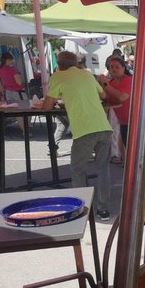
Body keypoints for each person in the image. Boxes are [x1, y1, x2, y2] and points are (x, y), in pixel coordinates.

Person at [42, 51, 112, 220]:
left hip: (84, 129)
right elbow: (103, 95)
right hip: (103, 126)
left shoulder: (58, 76)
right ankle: (103, 210)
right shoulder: (87, 75)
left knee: (77, 170)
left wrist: (61, 99)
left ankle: (83, 208)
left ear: (59, 64)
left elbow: (46, 105)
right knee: (103, 169)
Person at [99, 55, 132, 149]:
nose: (114, 69)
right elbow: (106, 97)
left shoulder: (128, 80)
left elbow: (122, 97)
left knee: (129, 147)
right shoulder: (111, 82)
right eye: (111, 67)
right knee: (122, 146)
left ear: (123, 67)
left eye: (117, 67)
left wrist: (104, 83)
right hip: (122, 121)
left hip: (133, 121)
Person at [0, 51, 28, 136]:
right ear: (7, 60)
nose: (12, 61)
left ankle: (24, 130)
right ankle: (25, 131)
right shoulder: (12, 69)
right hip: (18, 92)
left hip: (8, 92)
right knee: (26, 111)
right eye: (11, 60)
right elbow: (19, 82)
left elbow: (3, 82)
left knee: (17, 113)